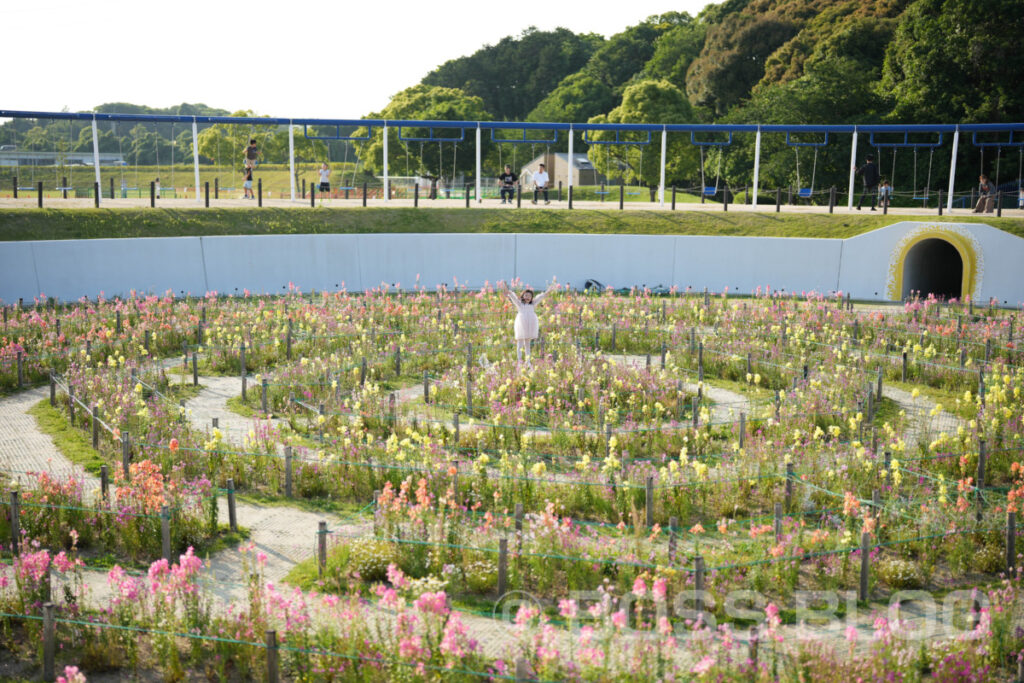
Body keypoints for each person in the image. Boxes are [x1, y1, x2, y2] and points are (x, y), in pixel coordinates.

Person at [500, 281, 553, 363]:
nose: (528, 297)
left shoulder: (532, 304)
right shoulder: (520, 304)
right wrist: (506, 289)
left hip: (530, 326)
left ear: (532, 298)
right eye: (526, 295)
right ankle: (519, 361)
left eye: (529, 296)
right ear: (523, 296)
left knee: (527, 344)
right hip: (521, 325)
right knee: (520, 343)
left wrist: (548, 291)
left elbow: (541, 297)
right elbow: (511, 296)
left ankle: (528, 362)